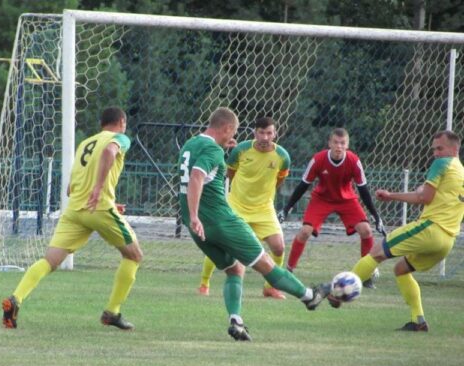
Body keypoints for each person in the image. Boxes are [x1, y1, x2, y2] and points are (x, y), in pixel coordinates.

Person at [179, 107, 329, 341]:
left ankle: (236, 321)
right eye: (233, 132)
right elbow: (197, 176)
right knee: (265, 263)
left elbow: (199, 171)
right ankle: (310, 296)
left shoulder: (190, 145)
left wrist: (193, 218)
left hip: (197, 228)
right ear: (227, 128)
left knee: (234, 269)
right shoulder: (213, 150)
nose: (233, 137)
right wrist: (195, 214)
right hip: (221, 220)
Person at [2, 107, 143, 330]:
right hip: (98, 208)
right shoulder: (119, 138)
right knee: (134, 256)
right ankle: (112, 312)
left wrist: (97, 193)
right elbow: (110, 152)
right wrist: (99, 190)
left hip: (75, 210)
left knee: (50, 260)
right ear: (122, 122)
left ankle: (16, 299)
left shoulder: (85, 143)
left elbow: (70, 188)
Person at [347, 130, 463, 331]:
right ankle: (418, 321)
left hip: (431, 229)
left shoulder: (441, 164)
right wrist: (395, 195)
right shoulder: (460, 171)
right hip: (447, 241)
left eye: (440, 148)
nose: (435, 153)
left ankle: (338, 291)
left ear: (454, 149)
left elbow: (423, 198)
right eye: (434, 149)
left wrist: (391, 196)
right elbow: (426, 194)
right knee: (401, 269)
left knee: (376, 252)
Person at [198, 116, 290, 300]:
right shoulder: (240, 150)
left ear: (275, 134)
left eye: (269, 133)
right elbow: (230, 173)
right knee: (221, 244)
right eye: (261, 133)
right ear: (255, 133)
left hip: (264, 209)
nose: (265, 137)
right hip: (237, 206)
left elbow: (280, 179)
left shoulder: (282, 156)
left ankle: (270, 288)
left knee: (279, 247)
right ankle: (204, 284)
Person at [278, 128, 385, 287]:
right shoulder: (318, 159)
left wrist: (376, 216)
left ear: (347, 145)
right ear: (329, 143)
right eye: (335, 142)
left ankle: (365, 275)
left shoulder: (354, 161)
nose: (339, 146)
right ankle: (288, 271)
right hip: (321, 199)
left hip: (346, 199)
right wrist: (286, 209)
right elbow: (303, 185)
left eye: (342, 143)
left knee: (366, 231)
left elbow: (363, 190)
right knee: (305, 231)